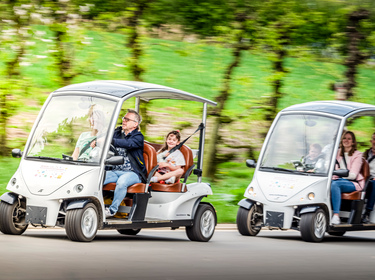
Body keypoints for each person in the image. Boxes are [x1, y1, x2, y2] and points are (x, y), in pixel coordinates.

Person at [103, 109, 147, 218]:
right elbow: (105, 137)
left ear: (135, 124)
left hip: (132, 173)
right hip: (115, 170)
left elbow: (128, 144)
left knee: (122, 182)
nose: (124, 121)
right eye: (124, 118)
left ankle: (112, 210)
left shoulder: (138, 137)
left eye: (127, 119)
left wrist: (109, 140)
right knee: (98, 178)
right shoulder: (117, 133)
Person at [331, 131, 365, 225]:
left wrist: (337, 173)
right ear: (341, 140)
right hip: (337, 179)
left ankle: (336, 215)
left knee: (335, 184)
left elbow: (353, 175)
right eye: (344, 138)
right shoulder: (336, 153)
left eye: (349, 139)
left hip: (353, 182)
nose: (346, 140)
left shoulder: (357, 155)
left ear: (353, 142)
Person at [362, 132, 375, 223]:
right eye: (374, 139)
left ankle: (367, 212)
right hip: (364, 179)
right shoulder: (365, 154)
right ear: (371, 141)